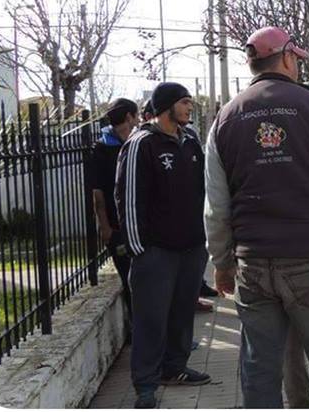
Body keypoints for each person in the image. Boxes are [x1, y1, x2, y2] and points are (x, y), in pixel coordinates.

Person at [204, 26, 309, 408]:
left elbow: (216, 207)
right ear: (289, 58)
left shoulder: (225, 119)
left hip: (254, 264)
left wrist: (222, 263)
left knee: (259, 370)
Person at [115, 83, 211, 409]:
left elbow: (204, 189)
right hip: (156, 252)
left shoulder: (191, 141)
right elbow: (128, 198)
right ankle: (145, 385)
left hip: (192, 248)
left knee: (182, 315)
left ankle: (175, 368)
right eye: (184, 102)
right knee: (151, 321)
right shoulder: (141, 144)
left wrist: (203, 239)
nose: (189, 107)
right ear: (167, 106)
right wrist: (139, 248)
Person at [90, 98, 140, 327]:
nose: (138, 120)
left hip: (139, 224)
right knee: (130, 280)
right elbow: (98, 192)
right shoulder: (102, 148)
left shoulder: (137, 143)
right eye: (136, 115)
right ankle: (139, 331)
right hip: (117, 226)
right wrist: (105, 226)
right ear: (129, 116)